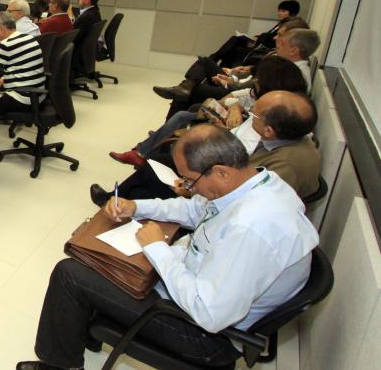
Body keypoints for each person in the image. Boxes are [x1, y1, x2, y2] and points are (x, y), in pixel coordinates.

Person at [18, 125, 318, 370]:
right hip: (196, 289)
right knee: (94, 257)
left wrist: (157, 249)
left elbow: (209, 315)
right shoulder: (255, 183)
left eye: (189, 181)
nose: (187, 188)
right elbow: (194, 211)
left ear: (221, 172)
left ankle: (59, 366)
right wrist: (136, 206)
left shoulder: (252, 227)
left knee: (69, 274)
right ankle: (84, 331)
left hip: (204, 335)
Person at [93, 90, 320, 206]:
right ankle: (115, 200)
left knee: (144, 187)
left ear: (269, 129)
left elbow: (238, 202)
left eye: (253, 115)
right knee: (158, 163)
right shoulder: (290, 140)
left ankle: (116, 203)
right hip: (219, 184)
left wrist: (192, 190)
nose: (249, 118)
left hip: (217, 202)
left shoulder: (285, 168)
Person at [110, 55, 309, 167]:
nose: (255, 82)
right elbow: (231, 99)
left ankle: (145, 153)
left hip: (226, 143)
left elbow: (242, 148)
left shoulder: (274, 111)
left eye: (257, 80)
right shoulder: (263, 95)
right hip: (229, 125)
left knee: (187, 105)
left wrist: (228, 118)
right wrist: (235, 107)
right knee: (185, 111)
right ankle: (143, 151)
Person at [153, 19, 315, 110]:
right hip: (240, 88)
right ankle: (185, 89)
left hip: (242, 98)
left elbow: (256, 93)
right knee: (204, 63)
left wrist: (231, 83)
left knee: (195, 91)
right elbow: (255, 81)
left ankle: (168, 131)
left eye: (280, 37)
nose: (275, 39)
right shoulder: (284, 61)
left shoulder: (293, 75)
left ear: (294, 50)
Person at [0, 12, 46, 138]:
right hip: (38, 94)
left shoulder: (6, 44)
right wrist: (5, 78)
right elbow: (26, 66)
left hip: (23, 97)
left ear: (1, 29)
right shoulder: (28, 37)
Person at [207, 0, 301, 66]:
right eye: (279, 11)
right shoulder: (280, 23)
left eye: (283, 11)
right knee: (235, 39)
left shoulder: (289, 26)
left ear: (292, 13)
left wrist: (263, 37)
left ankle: (215, 60)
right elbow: (269, 35)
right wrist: (260, 36)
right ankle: (218, 63)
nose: (279, 13)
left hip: (262, 50)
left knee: (233, 47)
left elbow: (273, 40)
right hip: (259, 44)